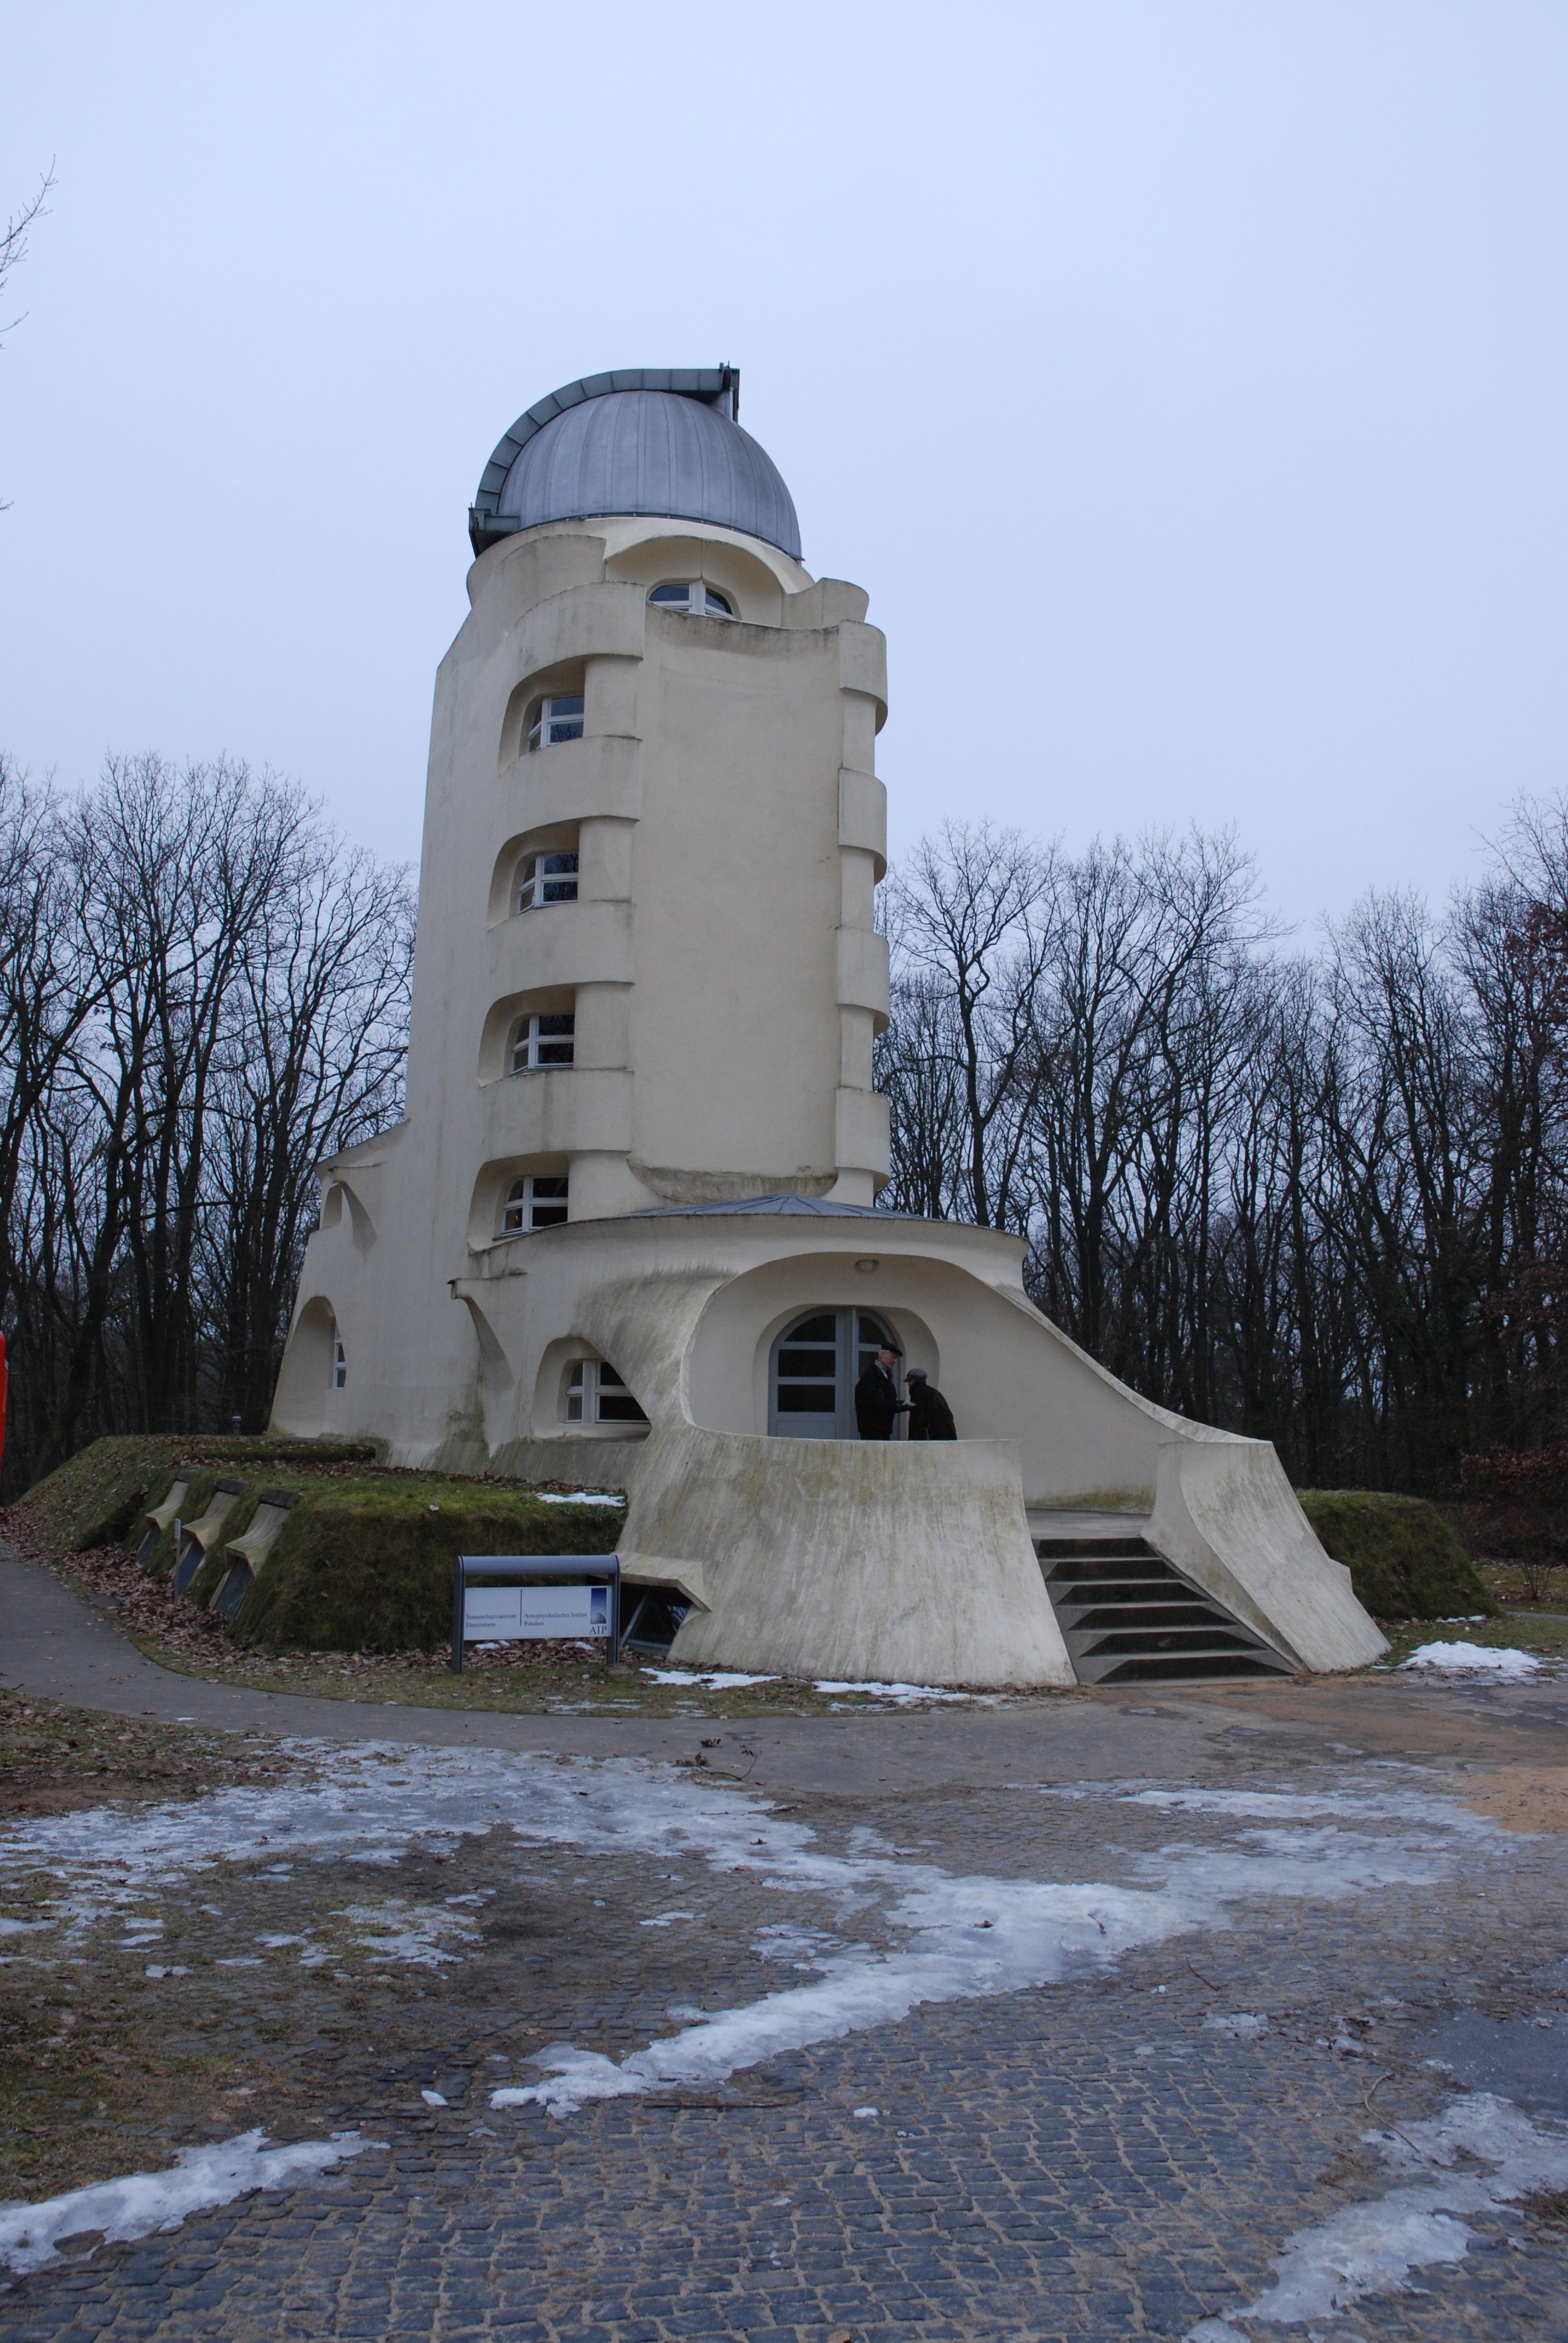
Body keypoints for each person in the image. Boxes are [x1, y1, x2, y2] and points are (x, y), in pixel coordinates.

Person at [854, 1345, 909, 1440]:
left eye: (896, 1359)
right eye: (893, 1357)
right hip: (873, 1427)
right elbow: (873, 1401)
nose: (894, 1361)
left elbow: (887, 1399)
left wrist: (901, 1405)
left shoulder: (885, 1375)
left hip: (882, 1427)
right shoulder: (871, 1375)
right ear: (882, 1355)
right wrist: (897, 1406)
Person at [904, 1366, 957, 1441]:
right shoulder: (933, 1392)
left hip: (932, 1437)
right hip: (944, 1436)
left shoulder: (919, 1394)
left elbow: (918, 1419)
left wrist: (914, 1441)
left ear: (915, 1382)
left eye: (910, 1381)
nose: (909, 1384)